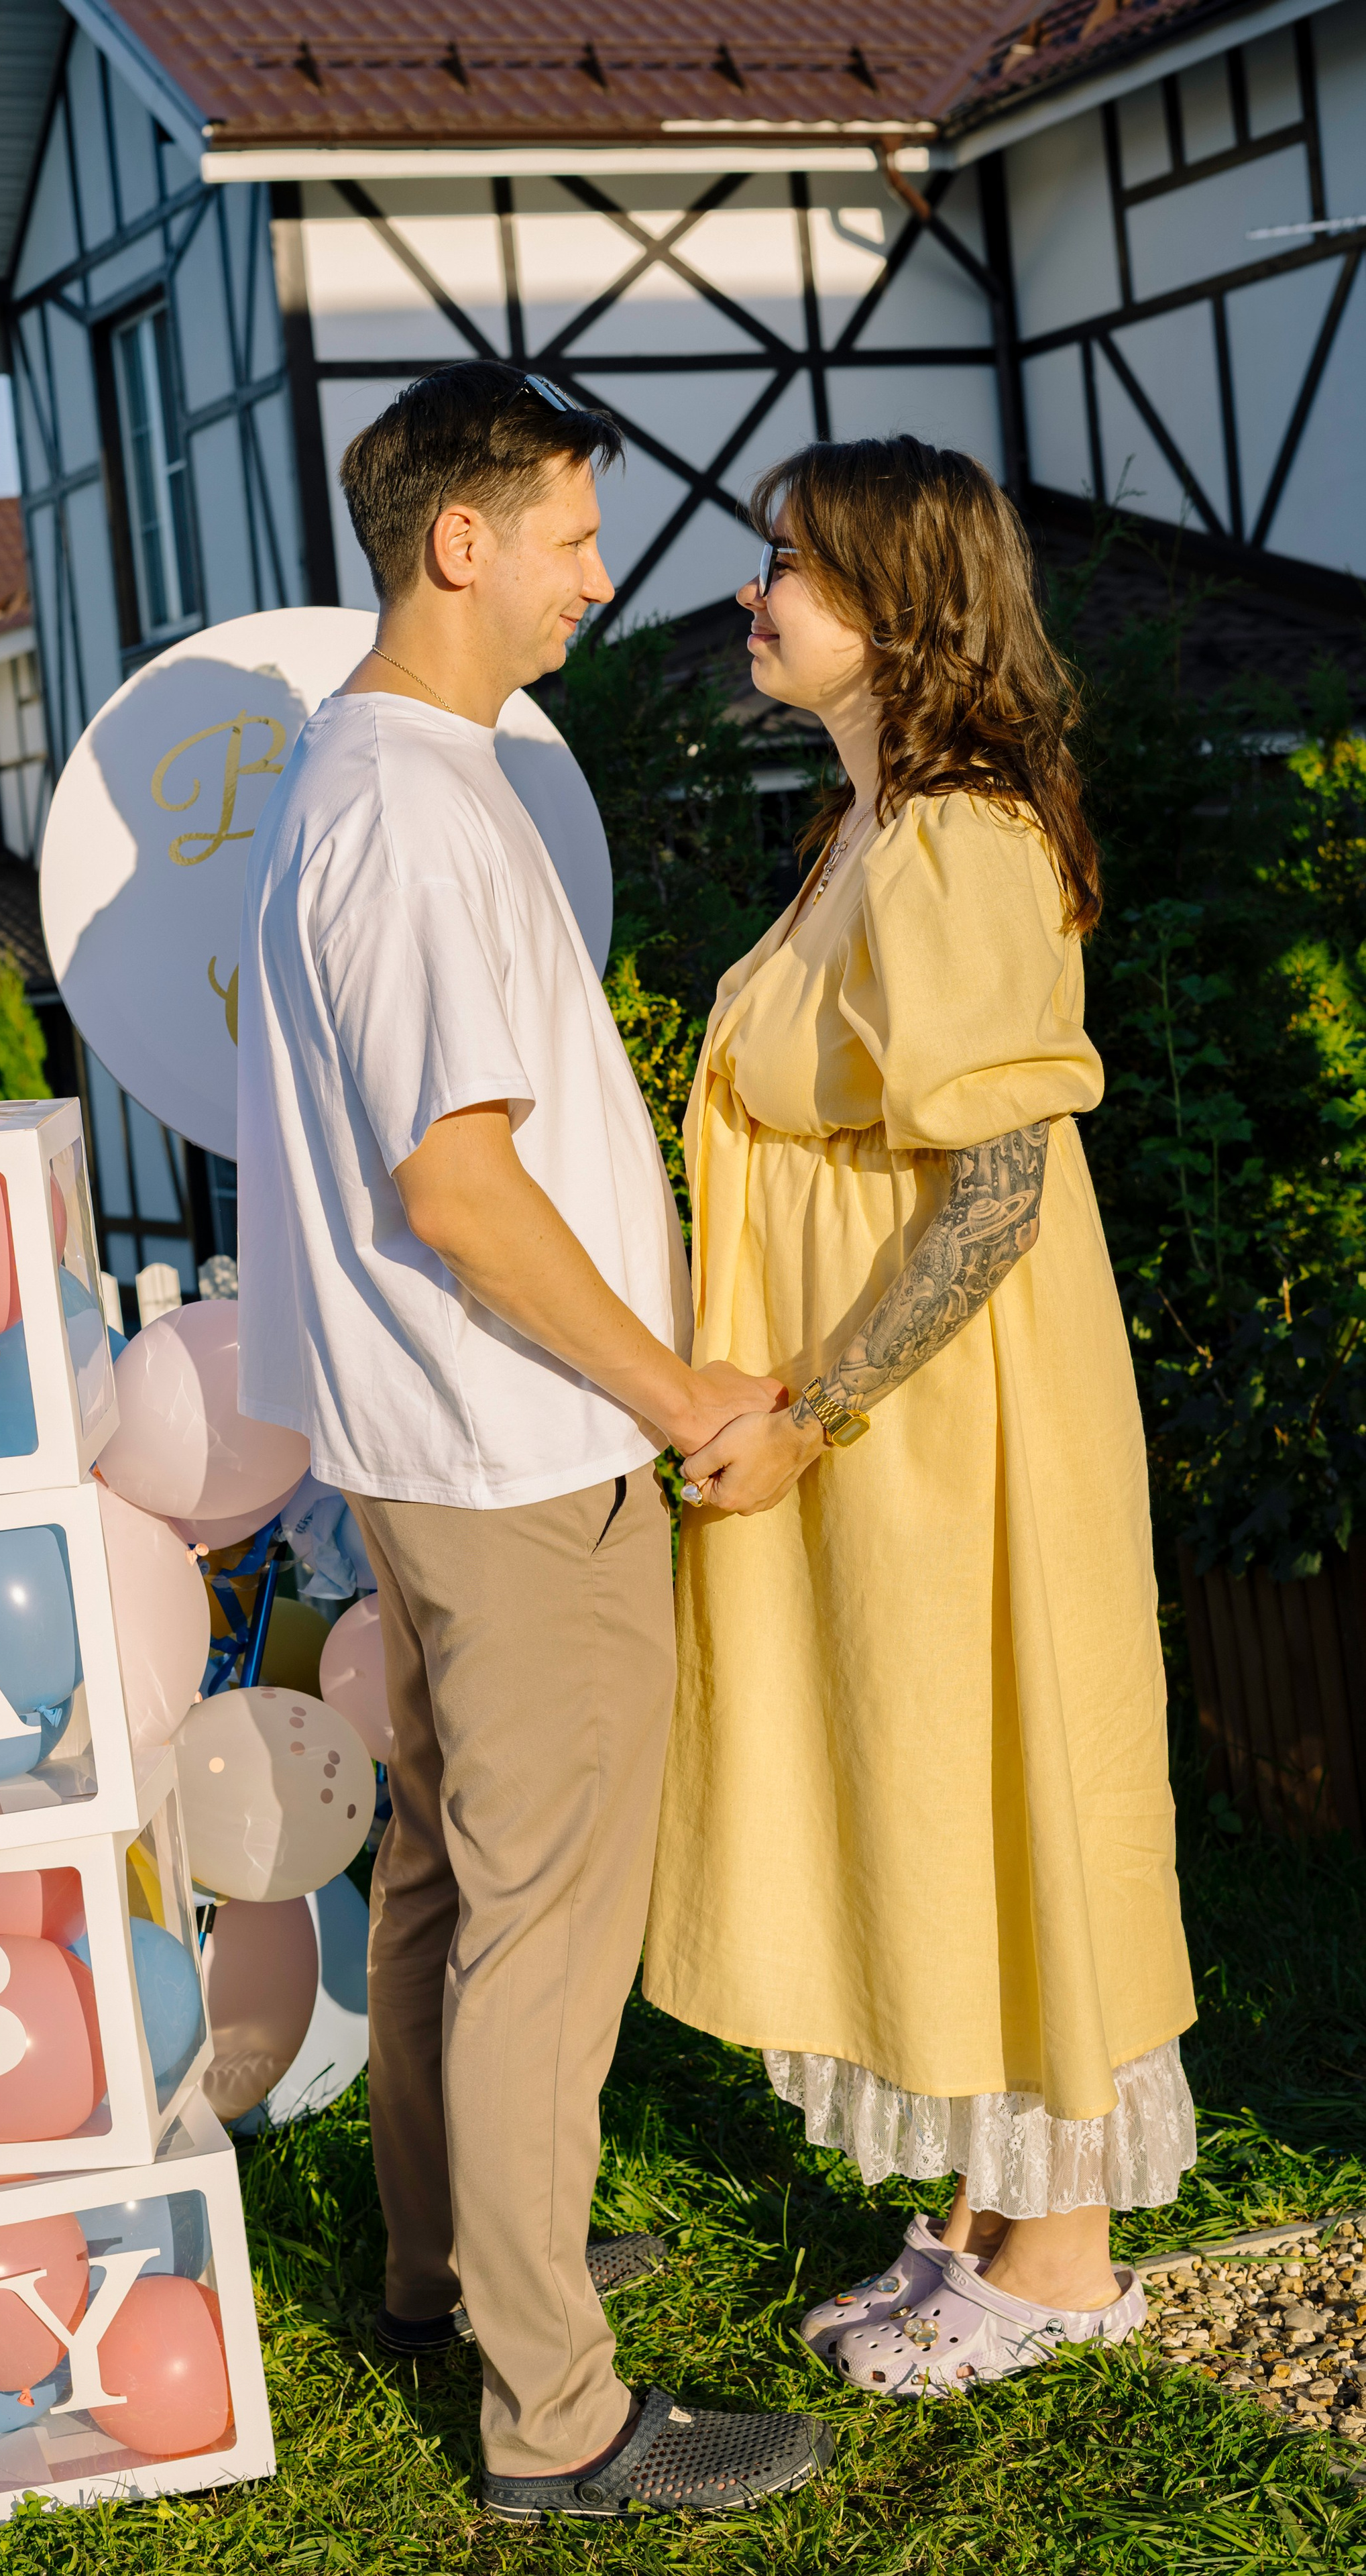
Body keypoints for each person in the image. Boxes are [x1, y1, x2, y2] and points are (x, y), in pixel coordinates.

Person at [235, 362, 832, 2519]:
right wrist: (678, 1397)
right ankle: (557, 2419)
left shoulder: (402, 776)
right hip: (510, 1451)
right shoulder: (403, 807)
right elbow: (460, 1186)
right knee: (539, 1928)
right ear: (460, 541)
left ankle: (455, 2269)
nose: (601, 576)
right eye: (573, 537)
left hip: (445, 1440)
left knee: (447, 1882)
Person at [642, 436, 1198, 2396]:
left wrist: (816, 1408)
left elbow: (997, 1191)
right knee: (925, 1785)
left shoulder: (958, 834)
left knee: (1006, 1775)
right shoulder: (870, 823)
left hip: (964, 1422)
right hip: (892, 1414)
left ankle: (1065, 2255)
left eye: (792, 562)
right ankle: (982, 2202)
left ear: (900, 604)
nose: (754, 592)